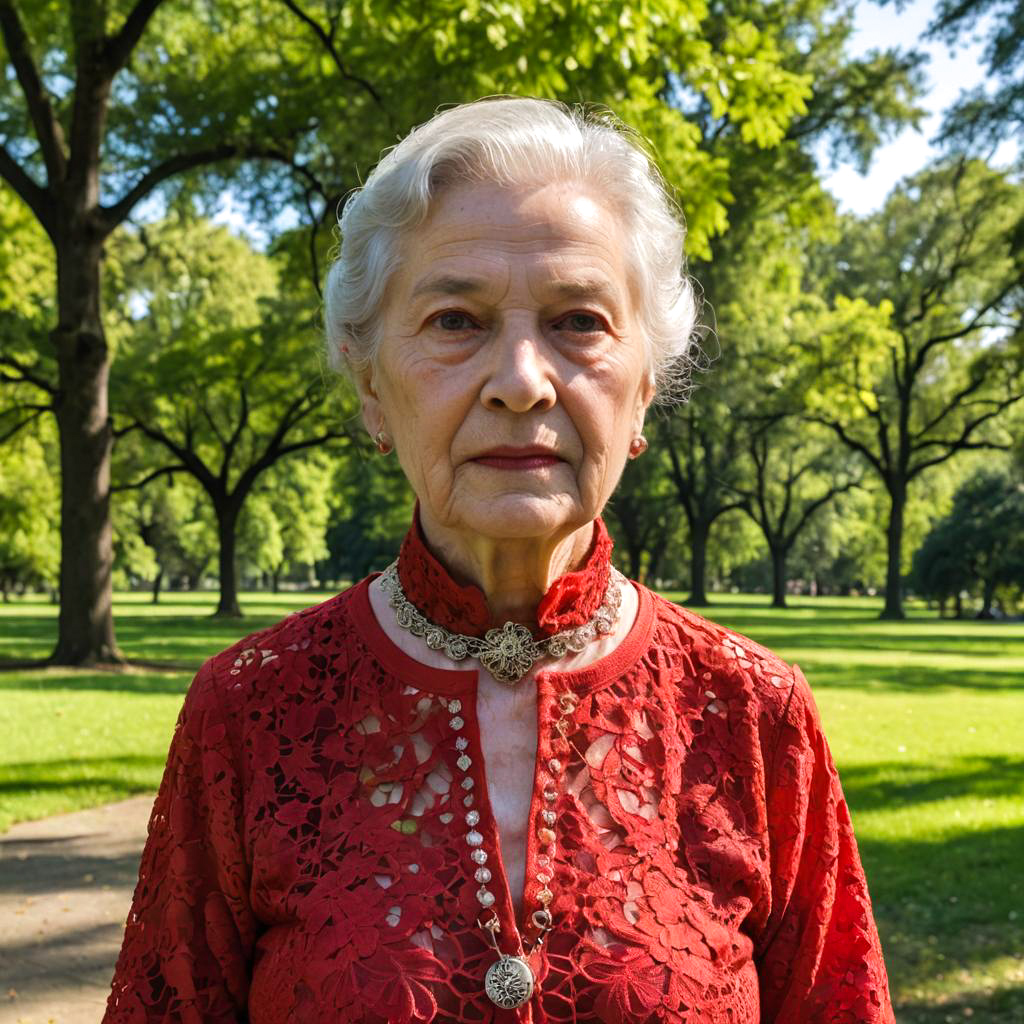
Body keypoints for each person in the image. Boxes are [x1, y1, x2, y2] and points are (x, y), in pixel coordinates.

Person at [104, 97, 893, 1023]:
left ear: (644, 386)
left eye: (579, 321)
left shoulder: (756, 718)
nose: (522, 380)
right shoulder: (247, 714)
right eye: (455, 320)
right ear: (369, 383)